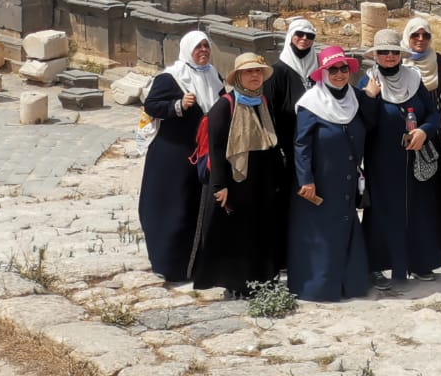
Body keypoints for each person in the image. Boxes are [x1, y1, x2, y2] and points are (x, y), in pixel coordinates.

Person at [190, 52, 286, 297]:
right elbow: (217, 147)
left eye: (258, 72)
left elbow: (270, 139)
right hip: (236, 182)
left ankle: (262, 280)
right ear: (238, 77)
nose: (254, 76)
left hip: (261, 181)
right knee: (237, 234)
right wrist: (219, 185)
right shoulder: (225, 106)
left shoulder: (262, 101)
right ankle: (237, 284)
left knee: (261, 230)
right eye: (248, 72)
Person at [289, 46, 375, 301]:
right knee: (323, 237)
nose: (339, 74)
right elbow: (301, 145)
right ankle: (321, 287)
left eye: (343, 69)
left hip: (346, 181)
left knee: (345, 229)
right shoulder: (311, 104)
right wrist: (306, 179)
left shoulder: (355, 98)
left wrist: (370, 97)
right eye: (333, 70)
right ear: (323, 73)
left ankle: (351, 285)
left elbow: (371, 125)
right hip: (320, 182)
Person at [360, 28, 441, 290]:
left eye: (394, 52)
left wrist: (423, 131)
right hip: (382, 161)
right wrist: (370, 98)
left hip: (414, 159)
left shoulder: (413, 79)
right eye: (383, 52)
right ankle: (377, 266)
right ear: (376, 55)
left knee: (417, 210)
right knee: (383, 213)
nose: (389, 56)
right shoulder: (368, 83)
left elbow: (433, 114)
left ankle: (419, 262)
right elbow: (366, 124)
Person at [139, 30, 222, 282]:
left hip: (202, 154)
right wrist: (178, 106)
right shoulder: (171, 78)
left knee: (196, 207)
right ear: (188, 49)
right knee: (172, 208)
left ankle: (195, 264)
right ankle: (169, 265)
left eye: (207, 46)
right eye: (198, 47)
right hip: (173, 155)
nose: (204, 51)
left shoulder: (214, 76)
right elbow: (151, 105)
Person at [402, 16, 441, 257]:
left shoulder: (437, 61)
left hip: (434, 134)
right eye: (415, 35)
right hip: (408, 136)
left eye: (425, 35)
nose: (420, 39)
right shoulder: (399, 60)